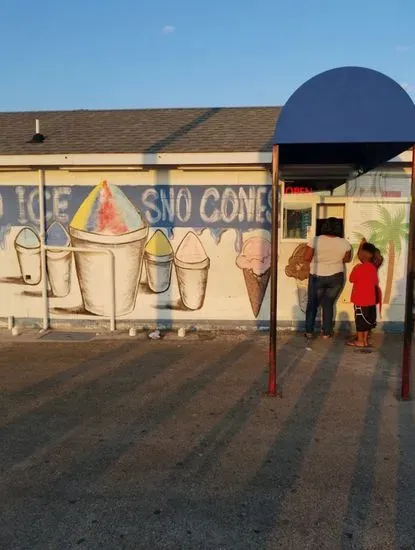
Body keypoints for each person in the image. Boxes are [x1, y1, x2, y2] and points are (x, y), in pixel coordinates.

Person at [304, 217, 352, 339]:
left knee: (312, 304)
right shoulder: (345, 243)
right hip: (336, 277)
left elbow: (307, 257)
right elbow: (346, 259)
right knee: (328, 304)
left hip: (317, 276)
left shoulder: (315, 240)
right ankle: (326, 333)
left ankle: (309, 331)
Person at [347, 242, 379, 348]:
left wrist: (355, 269)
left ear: (364, 254)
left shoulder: (359, 268)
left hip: (360, 300)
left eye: (360, 251)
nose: (358, 254)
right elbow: (375, 282)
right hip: (370, 301)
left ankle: (360, 341)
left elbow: (351, 279)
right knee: (367, 321)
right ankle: (365, 340)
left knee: (360, 320)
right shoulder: (373, 268)